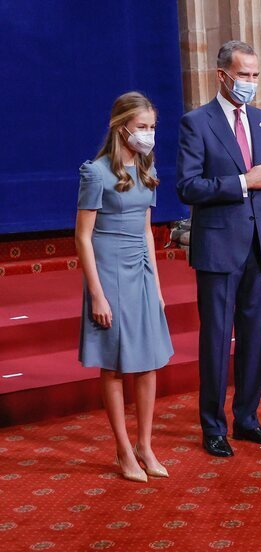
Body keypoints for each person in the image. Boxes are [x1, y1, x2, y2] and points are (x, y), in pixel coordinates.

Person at [176, 40, 261, 457]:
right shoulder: (197, 123)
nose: (251, 83)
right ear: (222, 76)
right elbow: (188, 186)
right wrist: (243, 182)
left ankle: (247, 420)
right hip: (218, 250)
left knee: (255, 340)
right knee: (217, 340)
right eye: (244, 75)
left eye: (255, 75)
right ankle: (213, 426)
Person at [76, 92, 174, 482]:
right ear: (122, 128)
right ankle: (122, 449)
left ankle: (145, 445)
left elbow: (148, 230)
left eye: (152, 127)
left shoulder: (147, 169)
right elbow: (83, 237)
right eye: (142, 128)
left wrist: (158, 284)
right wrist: (97, 293)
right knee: (115, 364)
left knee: (148, 362)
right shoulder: (96, 172)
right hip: (110, 271)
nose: (149, 134)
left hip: (142, 272)